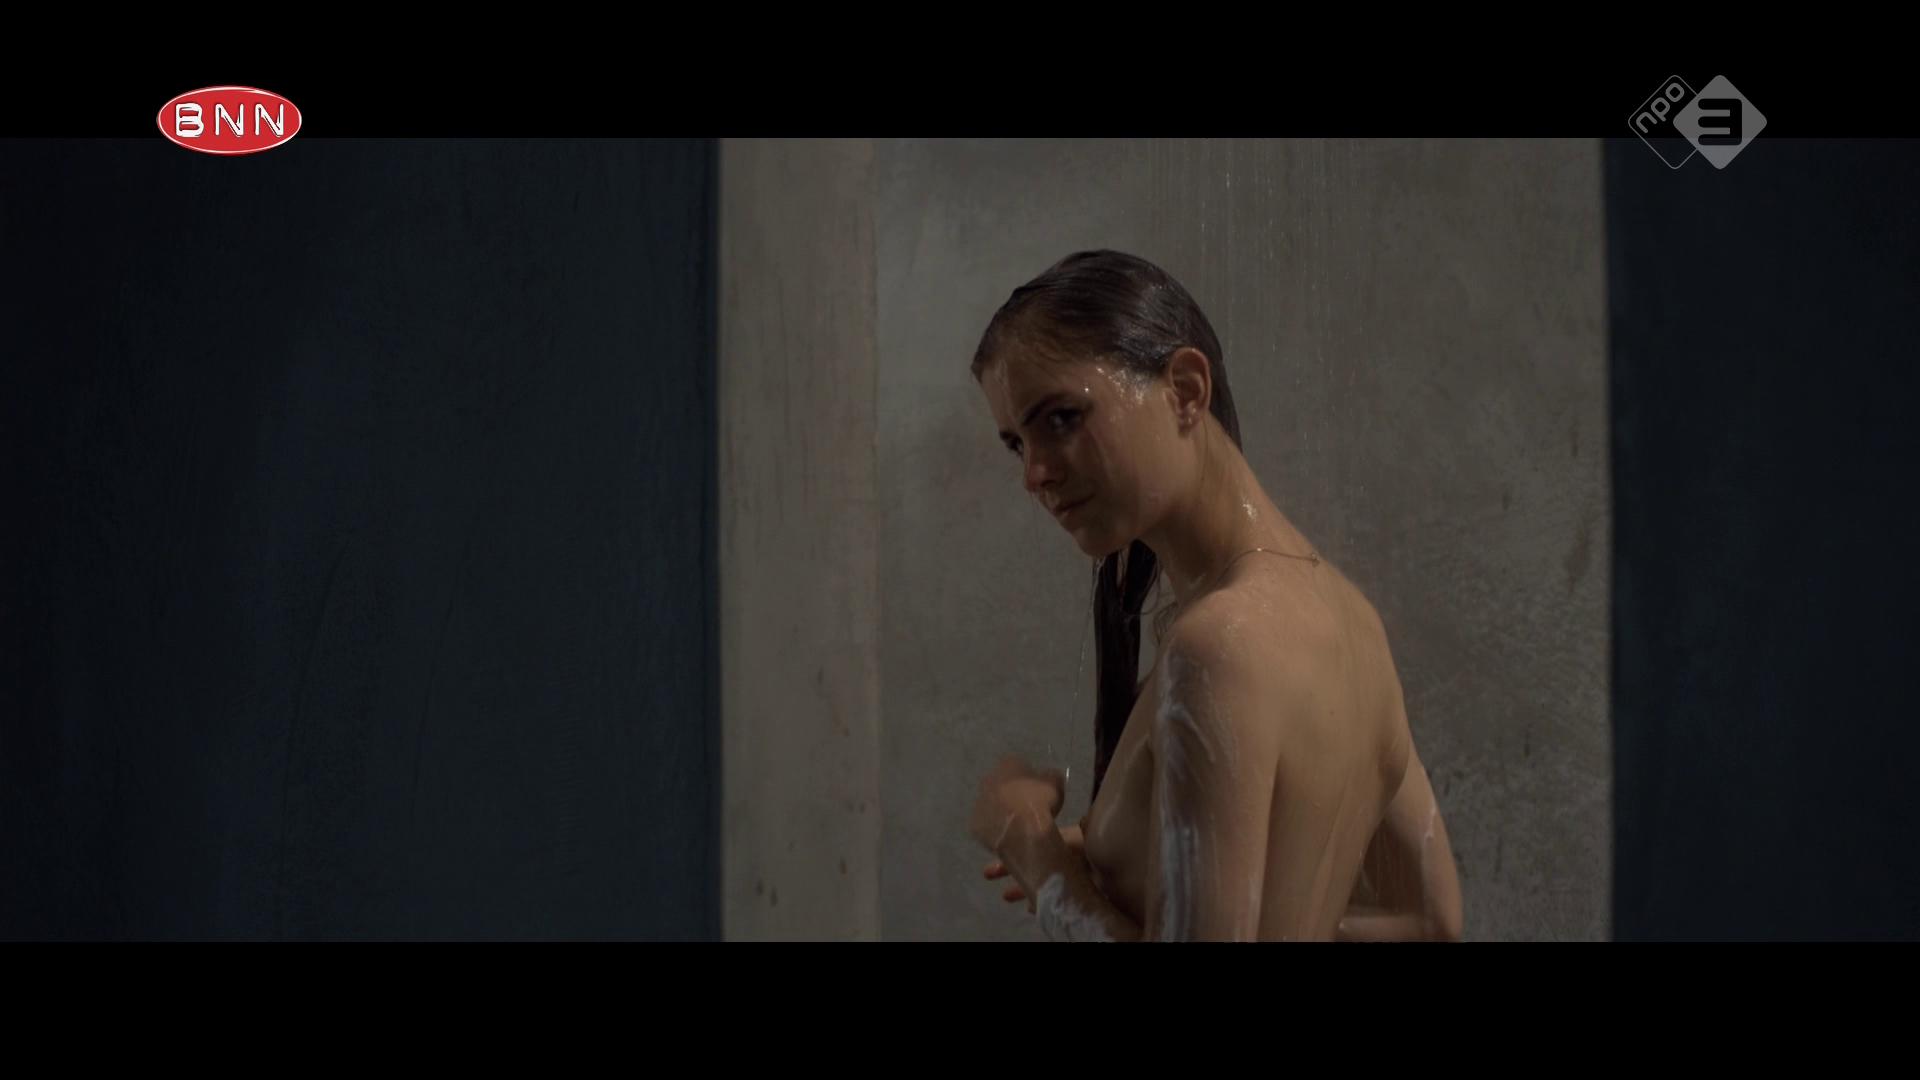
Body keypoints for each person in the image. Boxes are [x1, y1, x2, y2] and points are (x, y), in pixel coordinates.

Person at [965, 250, 1464, 942]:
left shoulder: (1219, 646)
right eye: (1016, 445)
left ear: (1186, 389)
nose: (1035, 475)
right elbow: (1430, 922)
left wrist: (1033, 850)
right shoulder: (1352, 620)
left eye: (1061, 419)